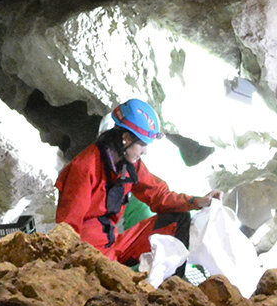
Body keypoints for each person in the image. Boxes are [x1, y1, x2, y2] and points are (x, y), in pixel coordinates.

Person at [53, 98, 211, 265]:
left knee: (179, 218)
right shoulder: (85, 167)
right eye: (142, 144)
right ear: (126, 138)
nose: (144, 151)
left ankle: (173, 284)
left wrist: (197, 202)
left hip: (113, 247)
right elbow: (68, 228)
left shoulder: (130, 165)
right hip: (88, 256)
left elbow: (159, 195)